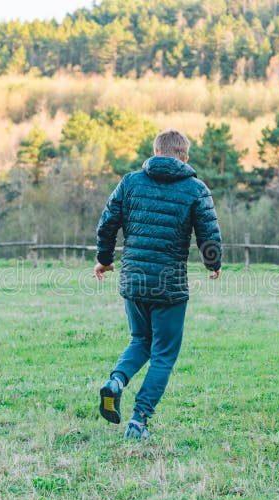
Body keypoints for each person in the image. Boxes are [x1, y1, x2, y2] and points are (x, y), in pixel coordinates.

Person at [94, 128, 222, 439]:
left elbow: (108, 221)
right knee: (164, 353)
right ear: (184, 156)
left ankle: (116, 382)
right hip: (169, 286)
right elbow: (208, 232)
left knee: (140, 341)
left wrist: (105, 258)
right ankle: (139, 420)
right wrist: (213, 263)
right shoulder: (195, 188)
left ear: (155, 151)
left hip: (134, 279)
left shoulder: (131, 182)